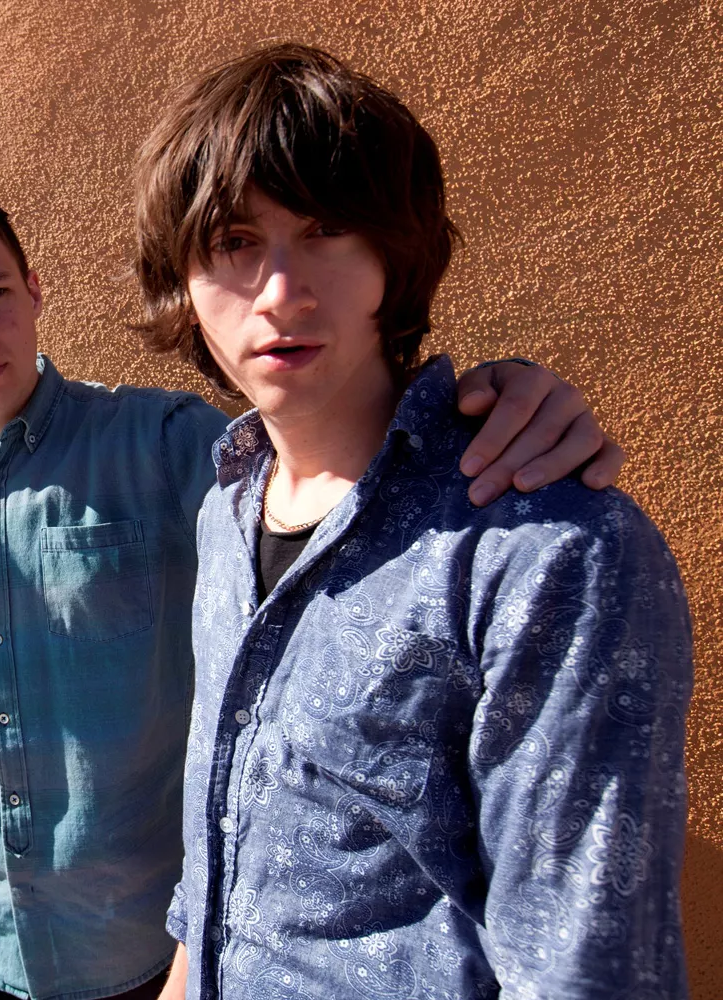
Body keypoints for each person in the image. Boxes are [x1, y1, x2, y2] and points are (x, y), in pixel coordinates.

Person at [0, 182, 626, 1000]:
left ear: (34, 291)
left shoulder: (168, 443)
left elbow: (338, 469)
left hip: (145, 945)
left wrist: (500, 402)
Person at [135, 44, 691, 1000]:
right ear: (182, 282)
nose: (281, 291)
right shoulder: (225, 510)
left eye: (326, 230)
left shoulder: (548, 552)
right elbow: (219, 862)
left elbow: (584, 971)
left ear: (394, 258)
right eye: (233, 241)